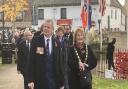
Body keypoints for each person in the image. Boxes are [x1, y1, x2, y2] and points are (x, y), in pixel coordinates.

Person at [27, 19, 61, 89]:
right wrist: (30, 80)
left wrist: (61, 82)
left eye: (48, 27)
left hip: (53, 81)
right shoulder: (36, 40)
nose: (46, 29)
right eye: (44, 27)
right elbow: (31, 61)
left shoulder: (57, 43)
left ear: (52, 29)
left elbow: (59, 63)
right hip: (39, 81)